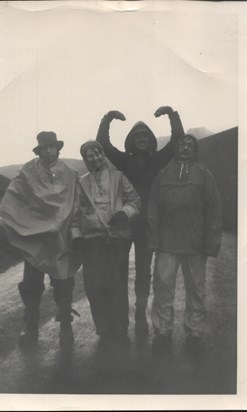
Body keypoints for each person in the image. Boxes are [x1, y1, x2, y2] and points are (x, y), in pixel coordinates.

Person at [96, 107, 184, 337]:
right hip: (124, 223)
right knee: (120, 270)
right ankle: (122, 317)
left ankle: (140, 312)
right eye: (138, 137)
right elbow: (102, 144)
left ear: (151, 141)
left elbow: (177, 141)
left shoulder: (157, 160)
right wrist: (108, 118)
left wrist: (172, 115)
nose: (142, 140)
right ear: (131, 141)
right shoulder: (124, 160)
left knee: (144, 271)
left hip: (147, 225)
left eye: (145, 137)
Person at [0, 131, 81, 349]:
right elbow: (14, 196)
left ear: (57, 148)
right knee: (31, 285)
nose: (47, 151)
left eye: (51, 147)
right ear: (39, 150)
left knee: (63, 282)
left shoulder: (71, 173)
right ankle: (31, 324)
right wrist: (18, 221)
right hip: (35, 237)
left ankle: (66, 324)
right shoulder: (27, 171)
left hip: (61, 236)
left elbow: (77, 202)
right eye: (43, 148)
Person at [147, 134, 222, 353]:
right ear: (176, 148)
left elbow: (214, 210)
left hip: (195, 244)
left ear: (195, 150)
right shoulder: (162, 175)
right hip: (167, 245)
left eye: (190, 144)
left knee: (196, 289)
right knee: (163, 288)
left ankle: (195, 332)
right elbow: (153, 210)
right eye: (182, 144)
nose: (185, 147)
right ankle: (162, 331)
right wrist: (154, 240)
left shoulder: (204, 175)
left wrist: (210, 243)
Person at [74, 140, 140, 349]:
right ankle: (103, 329)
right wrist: (76, 234)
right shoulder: (81, 181)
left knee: (117, 285)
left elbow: (135, 201)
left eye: (97, 153)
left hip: (116, 239)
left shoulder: (118, 177)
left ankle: (120, 329)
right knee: (94, 287)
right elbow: (75, 212)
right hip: (91, 241)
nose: (94, 158)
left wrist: (124, 213)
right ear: (86, 159)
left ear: (103, 154)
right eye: (89, 155)